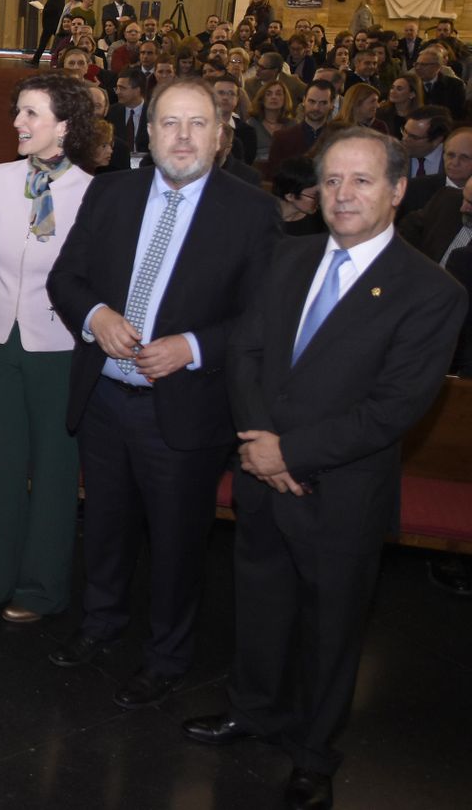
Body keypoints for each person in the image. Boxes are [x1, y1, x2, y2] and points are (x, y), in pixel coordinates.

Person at [183, 129, 466, 810]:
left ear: (398, 191)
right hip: (262, 473)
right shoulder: (288, 257)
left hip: (339, 492)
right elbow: (246, 352)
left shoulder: (431, 292)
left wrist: (290, 452)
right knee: (258, 602)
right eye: (333, 180)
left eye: (362, 181)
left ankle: (313, 750)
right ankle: (251, 709)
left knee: (331, 627)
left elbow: (394, 407)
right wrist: (259, 442)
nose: (342, 195)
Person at [45, 78, 282, 708]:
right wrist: (95, 315)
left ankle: (167, 655)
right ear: (146, 133)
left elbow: (262, 322)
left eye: (197, 124)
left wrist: (193, 348)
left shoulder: (252, 211)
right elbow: (66, 277)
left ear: (221, 135)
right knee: (104, 525)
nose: (182, 136)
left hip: (185, 412)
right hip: (103, 400)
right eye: (169, 123)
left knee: (177, 542)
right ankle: (101, 623)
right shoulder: (111, 191)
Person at [0, 74, 96, 618]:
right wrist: (1, 311)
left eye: (32, 114)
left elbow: (92, 278)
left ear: (64, 127)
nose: (17, 123)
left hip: (60, 345)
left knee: (54, 469)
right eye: (17, 112)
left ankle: (42, 587)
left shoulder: (93, 193)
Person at [270, 156, 325, 236]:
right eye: (314, 195)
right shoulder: (264, 219)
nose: (321, 200)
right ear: (290, 196)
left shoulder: (320, 220)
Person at [30, 0, 66, 68]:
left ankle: (36, 60)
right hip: (52, 22)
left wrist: (43, 9)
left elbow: (54, 8)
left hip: (51, 22)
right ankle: (35, 59)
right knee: (46, 41)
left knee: (47, 41)